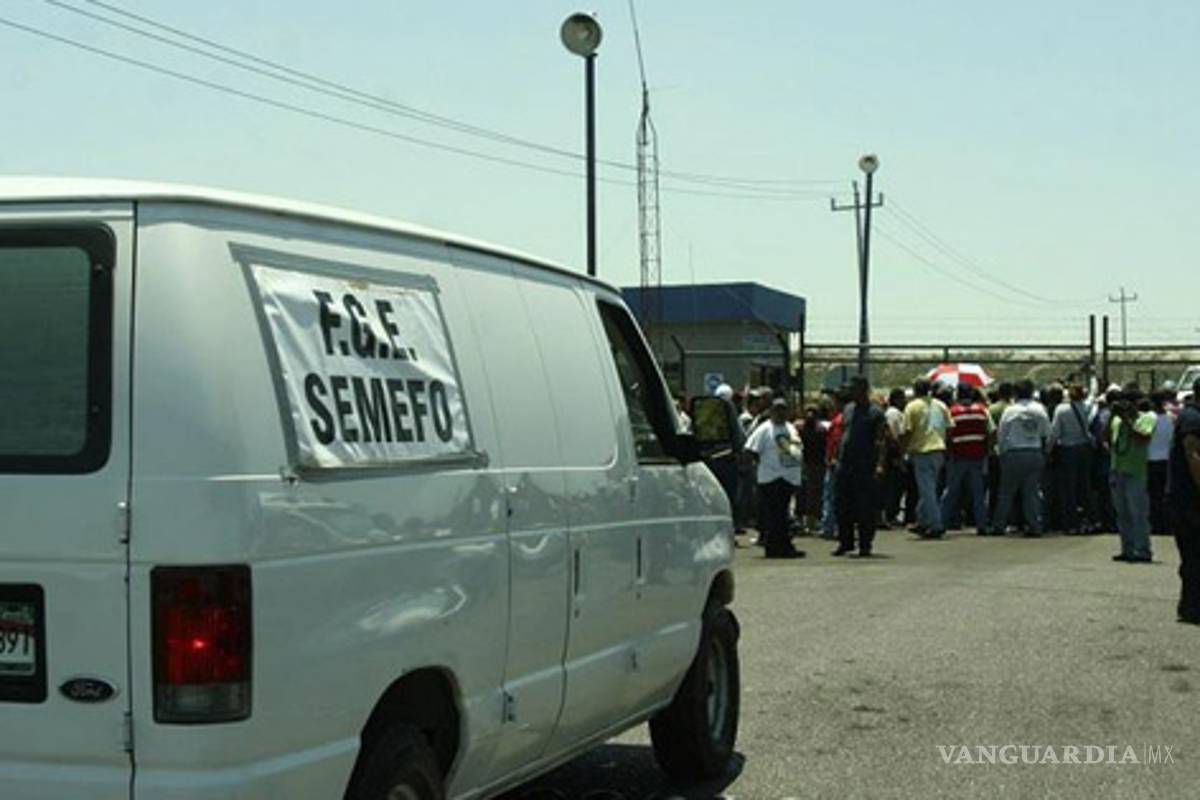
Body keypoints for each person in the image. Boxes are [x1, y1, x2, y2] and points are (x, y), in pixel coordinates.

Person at [833, 377, 889, 557]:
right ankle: (845, 542)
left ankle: (865, 544)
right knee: (842, 505)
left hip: (865, 466)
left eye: (853, 389)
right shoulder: (848, 409)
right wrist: (835, 457)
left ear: (863, 390)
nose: (850, 392)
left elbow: (881, 441)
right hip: (845, 464)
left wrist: (880, 464)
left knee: (865, 507)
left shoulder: (875, 412)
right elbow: (843, 435)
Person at [744, 398, 805, 559]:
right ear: (771, 412)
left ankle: (783, 545)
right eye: (777, 410)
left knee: (782, 515)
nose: (781, 413)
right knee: (774, 515)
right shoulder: (764, 429)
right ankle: (774, 548)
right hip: (771, 478)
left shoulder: (790, 428)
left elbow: (796, 449)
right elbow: (750, 450)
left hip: (788, 478)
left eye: (784, 410)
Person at [989, 379, 1051, 536]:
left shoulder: (1010, 411)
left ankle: (999, 525)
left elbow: (1001, 434)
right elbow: (1047, 433)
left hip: (1013, 453)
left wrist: (1002, 453)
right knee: (1032, 492)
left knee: (1006, 492)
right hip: (1034, 452)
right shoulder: (1039, 409)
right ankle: (1034, 525)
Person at [902, 378, 953, 538]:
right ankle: (922, 521)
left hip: (921, 451)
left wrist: (903, 451)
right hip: (938, 450)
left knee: (926, 490)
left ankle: (936, 524)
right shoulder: (940, 405)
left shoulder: (912, 407)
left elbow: (907, 431)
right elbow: (949, 428)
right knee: (929, 488)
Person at [1109, 389, 1156, 563]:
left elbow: (1143, 438)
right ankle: (1127, 549)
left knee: (1138, 513)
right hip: (1117, 469)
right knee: (1122, 513)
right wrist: (1112, 416)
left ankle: (1142, 550)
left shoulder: (1147, 417)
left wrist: (1128, 419)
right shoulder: (1117, 420)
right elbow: (1106, 438)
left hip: (1135, 471)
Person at [941, 383, 993, 535]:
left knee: (951, 491)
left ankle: (941, 522)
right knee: (978, 493)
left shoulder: (952, 412)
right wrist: (987, 450)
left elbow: (947, 434)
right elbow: (991, 431)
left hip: (957, 456)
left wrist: (948, 451)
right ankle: (982, 524)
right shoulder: (982, 410)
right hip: (977, 456)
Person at [1168, 378, 1200, 623]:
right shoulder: (1193, 419)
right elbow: (1193, 453)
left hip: (1185, 496)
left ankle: (1190, 604)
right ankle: (1192, 606)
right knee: (1193, 554)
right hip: (1189, 498)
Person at [1050, 383, 1095, 534]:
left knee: (1069, 488)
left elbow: (1055, 432)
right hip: (1084, 448)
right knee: (1085, 485)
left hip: (1067, 450)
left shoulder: (1061, 409)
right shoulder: (1087, 407)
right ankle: (1088, 519)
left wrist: (1048, 450)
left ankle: (1071, 522)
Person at [1148, 390, 1175, 535]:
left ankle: (1156, 524)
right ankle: (1167, 523)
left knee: (1154, 495)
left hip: (1151, 460)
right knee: (1166, 494)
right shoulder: (1171, 418)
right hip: (1167, 460)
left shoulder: (1149, 418)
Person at [799, 406, 828, 534]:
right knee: (803, 492)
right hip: (804, 464)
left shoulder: (821, 430)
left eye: (813, 413)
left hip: (817, 465)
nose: (810, 415)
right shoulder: (800, 429)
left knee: (815, 493)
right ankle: (803, 519)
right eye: (808, 412)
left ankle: (813, 519)